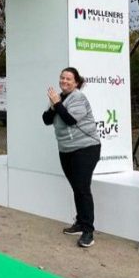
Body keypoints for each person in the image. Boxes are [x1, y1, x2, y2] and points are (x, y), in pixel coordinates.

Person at [42, 67, 101, 248]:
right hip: (66, 149)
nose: (64, 81)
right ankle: (80, 222)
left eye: (68, 79)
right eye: (62, 78)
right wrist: (54, 105)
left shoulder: (78, 98)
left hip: (86, 148)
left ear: (76, 82)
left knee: (82, 188)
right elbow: (46, 119)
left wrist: (57, 104)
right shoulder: (59, 98)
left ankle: (88, 231)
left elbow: (70, 120)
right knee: (76, 187)